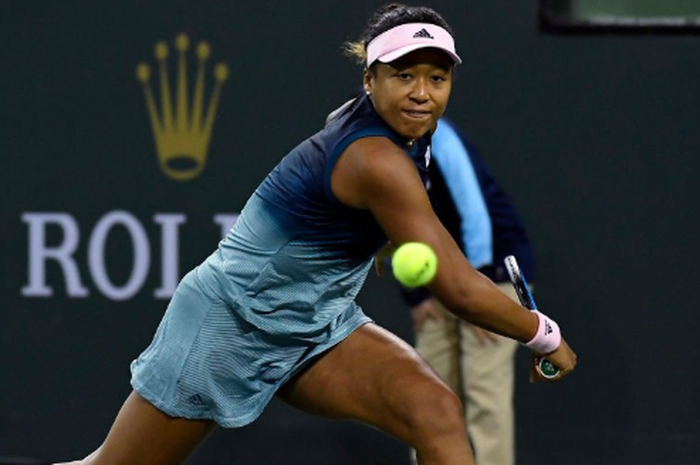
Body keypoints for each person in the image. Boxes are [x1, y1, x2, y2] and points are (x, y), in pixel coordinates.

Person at [56, 4, 576, 465]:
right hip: (226, 327)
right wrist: (542, 333)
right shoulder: (375, 160)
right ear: (370, 78)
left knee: (434, 410)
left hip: (314, 326)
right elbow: (458, 287)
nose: (422, 93)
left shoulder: (402, 133)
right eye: (404, 76)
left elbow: (366, 226)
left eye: (437, 78)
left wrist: (378, 245)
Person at [399, 117, 537, 465]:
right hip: (440, 276)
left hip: (494, 273)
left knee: (484, 390)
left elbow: (475, 214)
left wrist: (480, 295)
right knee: (428, 391)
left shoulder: (442, 139)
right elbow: (393, 225)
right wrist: (416, 295)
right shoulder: (374, 146)